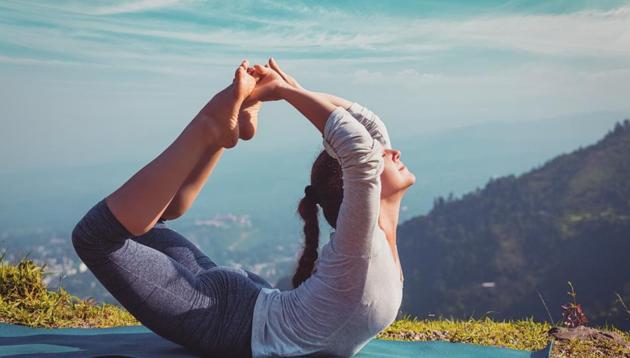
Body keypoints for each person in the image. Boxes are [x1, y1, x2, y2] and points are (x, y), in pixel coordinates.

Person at [72, 58, 415, 357]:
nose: (393, 151)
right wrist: (289, 90)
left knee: (139, 224)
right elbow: (364, 139)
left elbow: (364, 139)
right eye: (383, 152)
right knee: (98, 236)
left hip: (237, 309)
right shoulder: (363, 242)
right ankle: (211, 128)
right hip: (230, 318)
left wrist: (287, 91)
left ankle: (219, 135)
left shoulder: (362, 241)